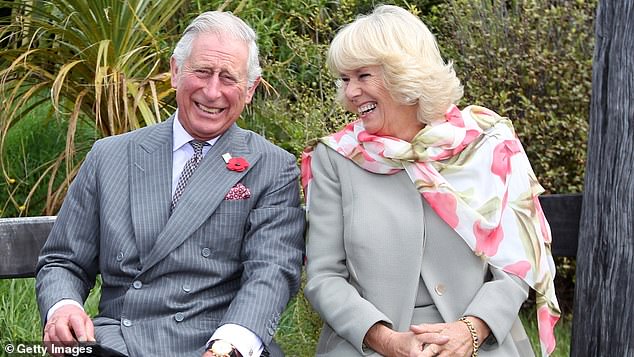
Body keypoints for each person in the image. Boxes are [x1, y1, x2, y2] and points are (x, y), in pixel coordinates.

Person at [35, 11, 305, 357]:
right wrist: (64, 306)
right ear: (176, 72)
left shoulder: (271, 166)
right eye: (203, 72)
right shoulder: (110, 156)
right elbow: (64, 260)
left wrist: (231, 344)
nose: (212, 92)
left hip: (219, 341)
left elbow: (271, 271)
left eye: (228, 78)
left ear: (250, 89)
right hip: (119, 340)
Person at [301, 5, 560, 357]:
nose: (350, 93)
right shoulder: (335, 158)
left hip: (480, 342)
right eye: (345, 80)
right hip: (367, 345)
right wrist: (387, 340)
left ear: (403, 73)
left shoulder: (487, 144)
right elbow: (324, 277)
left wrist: (471, 330)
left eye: (363, 76)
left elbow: (517, 262)